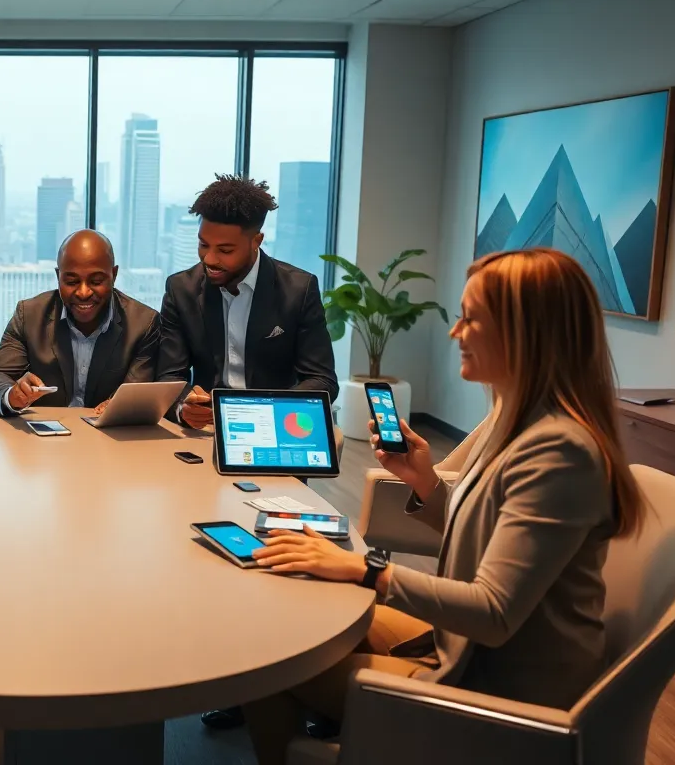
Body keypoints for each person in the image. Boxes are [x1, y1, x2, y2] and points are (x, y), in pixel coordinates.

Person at [238, 247, 642, 764]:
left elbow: (494, 612)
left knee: (269, 658)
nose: (456, 333)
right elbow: (496, 537)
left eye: (471, 319)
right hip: (463, 646)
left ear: (525, 332)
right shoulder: (515, 423)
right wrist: (425, 483)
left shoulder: (559, 451)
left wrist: (367, 570)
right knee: (297, 614)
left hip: (496, 691)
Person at [157, 174, 337, 432]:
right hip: (207, 428)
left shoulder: (298, 290)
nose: (209, 259)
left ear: (256, 241)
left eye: (225, 250)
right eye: (203, 244)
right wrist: (184, 407)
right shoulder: (180, 289)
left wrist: (264, 413)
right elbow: (169, 376)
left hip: (276, 424)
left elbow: (322, 379)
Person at [0, 229, 160, 416]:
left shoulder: (143, 324)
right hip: (42, 440)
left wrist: (118, 407)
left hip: (108, 438)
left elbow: (136, 393)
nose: (83, 293)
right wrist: (12, 395)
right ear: (58, 276)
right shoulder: (29, 315)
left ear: (113, 275)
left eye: (96, 281)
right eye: (72, 281)